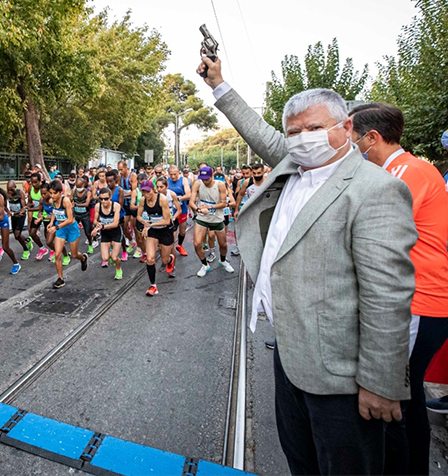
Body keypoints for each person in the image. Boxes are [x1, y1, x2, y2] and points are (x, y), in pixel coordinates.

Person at [198, 54, 417, 475]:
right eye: (294, 132)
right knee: (301, 463)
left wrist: (381, 382)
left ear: (346, 128)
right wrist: (219, 84)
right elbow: (258, 129)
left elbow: (387, 296)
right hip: (291, 360)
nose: (303, 138)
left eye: (315, 128)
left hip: (344, 380)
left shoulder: (376, 190)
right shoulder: (295, 164)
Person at [350, 102, 448, 476]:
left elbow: (374, 229)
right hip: (418, 299)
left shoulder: (405, 172)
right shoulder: (408, 169)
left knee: (393, 403)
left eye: (353, 138)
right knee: (405, 401)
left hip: (420, 300)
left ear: (371, 138)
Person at [190, 166, 234, 277]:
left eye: (207, 179)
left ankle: (223, 260)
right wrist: (198, 209)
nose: (204, 181)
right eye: (203, 178)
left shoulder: (219, 185)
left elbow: (224, 203)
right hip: (202, 218)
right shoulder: (198, 184)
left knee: (223, 244)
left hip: (217, 218)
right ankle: (205, 265)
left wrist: (209, 207)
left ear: (212, 175)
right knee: (197, 243)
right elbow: (191, 202)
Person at [135, 180, 173, 296]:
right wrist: (144, 222)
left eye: (148, 192)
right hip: (153, 231)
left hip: (165, 230)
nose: (146, 195)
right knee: (150, 258)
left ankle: (170, 260)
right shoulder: (142, 200)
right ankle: (153, 286)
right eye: (143, 192)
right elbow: (138, 216)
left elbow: (167, 220)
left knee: (165, 260)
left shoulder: (162, 199)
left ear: (153, 190)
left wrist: (150, 224)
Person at [48, 180, 88, 288]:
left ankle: (83, 258)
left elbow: (70, 219)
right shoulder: (53, 200)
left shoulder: (65, 201)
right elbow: (54, 211)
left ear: (60, 192)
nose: (52, 195)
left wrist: (56, 226)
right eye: (50, 193)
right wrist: (51, 222)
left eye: (54, 193)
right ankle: (60, 279)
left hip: (71, 228)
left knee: (74, 255)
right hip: (61, 230)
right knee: (57, 254)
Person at [91, 187, 123, 279]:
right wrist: (97, 227)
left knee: (114, 257)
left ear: (110, 197)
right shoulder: (98, 206)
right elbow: (95, 221)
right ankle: (113, 255)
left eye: (106, 199)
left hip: (116, 232)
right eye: (101, 199)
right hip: (105, 233)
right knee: (105, 258)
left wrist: (102, 226)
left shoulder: (116, 206)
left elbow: (116, 223)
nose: (103, 201)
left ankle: (118, 268)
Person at [156, 177, 180, 278]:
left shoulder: (171, 194)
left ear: (166, 186)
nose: (159, 189)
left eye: (161, 187)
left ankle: (172, 266)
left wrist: (173, 218)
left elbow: (178, 210)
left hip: (171, 223)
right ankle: (164, 261)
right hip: (160, 223)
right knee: (161, 247)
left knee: (170, 247)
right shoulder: (155, 195)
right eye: (157, 187)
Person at [166, 165, 192, 257]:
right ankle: (170, 251)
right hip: (170, 211)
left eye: (175, 174)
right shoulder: (166, 181)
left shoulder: (183, 180)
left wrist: (177, 199)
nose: (173, 176)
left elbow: (188, 194)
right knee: (172, 232)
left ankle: (180, 245)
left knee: (182, 231)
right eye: (171, 174)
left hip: (182, 209)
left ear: (178, 173)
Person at [6, 180, 31, 260]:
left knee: (17, 234)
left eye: (11, 189)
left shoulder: (20, 193)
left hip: (21, 215)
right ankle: (27, 239)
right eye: (8, 189)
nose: (10, 191)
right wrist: (8, 211)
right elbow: (3, 205)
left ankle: (26, 250)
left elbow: (24, 207)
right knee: (17, 236)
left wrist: (17, 212)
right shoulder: (7, 194)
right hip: (14, 216)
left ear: (15, 187)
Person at [26, 172, 47, 259]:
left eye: (36, 182)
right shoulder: (31, 188)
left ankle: (53, 251)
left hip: (46, 214)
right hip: (36, 214)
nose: (34, 184)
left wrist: (29, 209)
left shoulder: (44, 189)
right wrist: (26, 206)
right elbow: (30, 201)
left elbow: (41, 206)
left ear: (40, 181)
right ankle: (42, 249)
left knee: (48, 237)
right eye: (32, 182)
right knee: (32, 233)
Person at [72, 177, 94, 254]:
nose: (78, 188)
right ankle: (73, 249)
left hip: (85, 215)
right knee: (73, 232)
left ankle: (90, 244)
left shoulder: (88, 192)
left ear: (83, 185)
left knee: (87, 232)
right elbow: (71, 200)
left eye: (80, 187)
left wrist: (77, 205)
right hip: (76, 214)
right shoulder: (73, 191)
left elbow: (87, 203)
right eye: (77, 187)